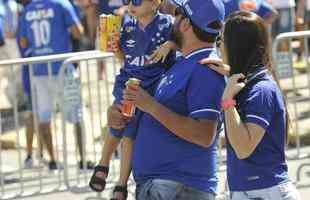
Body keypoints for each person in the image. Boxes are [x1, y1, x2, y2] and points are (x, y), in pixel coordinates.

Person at [107, 0, 226, 199]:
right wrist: (117, 112)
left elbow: (204, 134)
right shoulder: (182, 62)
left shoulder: (206, 68)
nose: (171, 16)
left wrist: (150, 106)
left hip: (178, 187)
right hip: (165, 185)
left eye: (177, 13)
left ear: (186, 24)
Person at [202, 11, 300, 200]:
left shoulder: (261, 90)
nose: (219, 45)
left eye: (221, 39)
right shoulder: (250, 83)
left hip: (267, 192)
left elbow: (243, 148)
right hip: (252, 191)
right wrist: (230, 73)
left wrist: (228, 101)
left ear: (238, 46)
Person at [89, 0, 177, 199]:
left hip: (150, 87)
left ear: (156, 2)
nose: (131, 4)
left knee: (129, 134)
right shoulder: (127, 24)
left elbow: (182, 42)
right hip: (128, 82)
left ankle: (120, 183)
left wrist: (170, 44)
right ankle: (103, 164)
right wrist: (113, 45)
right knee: (118, 122)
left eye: (136, 0)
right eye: (127, 1)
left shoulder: (168, 23)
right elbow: (123, 57)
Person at [18, 0, 83, 170]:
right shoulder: (61, 4)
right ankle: (82, 160)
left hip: (40, 71)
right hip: (63, 68)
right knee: (76, 116)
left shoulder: (28, 9)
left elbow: (24, 42)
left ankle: (53, 161)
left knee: (44, 119)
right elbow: (78, 32)